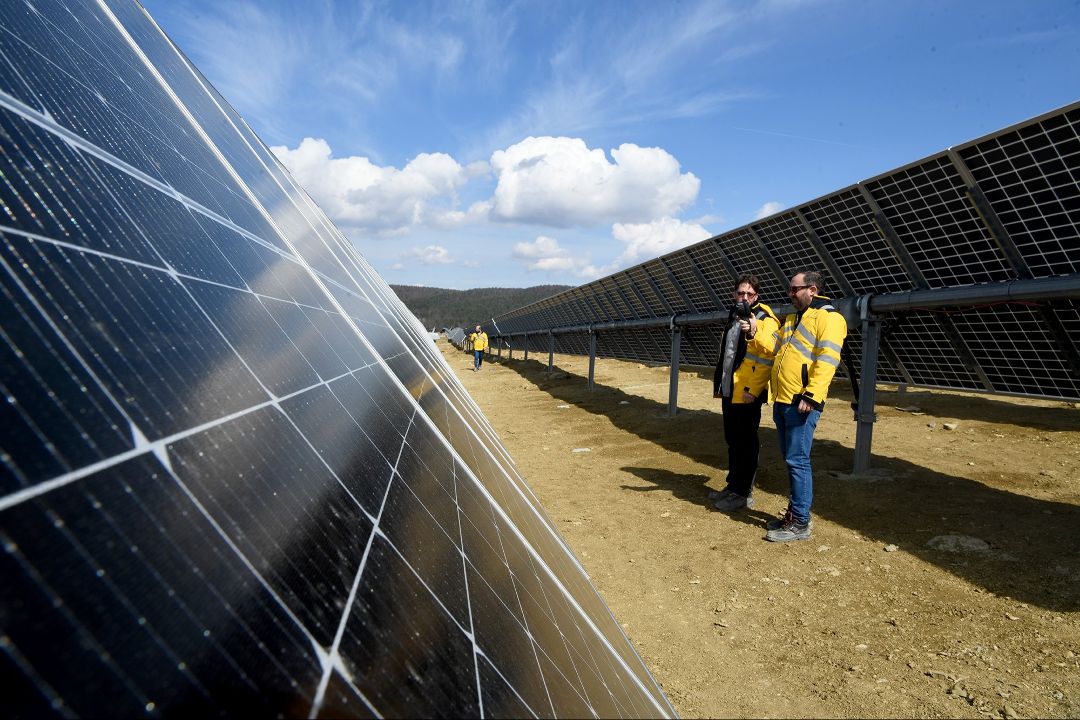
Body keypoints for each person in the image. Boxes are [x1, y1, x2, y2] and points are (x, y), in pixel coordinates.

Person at [765, 270, 847, 542]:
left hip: (801, 401)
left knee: (797, 461)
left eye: (794, 289)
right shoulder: (792, 319)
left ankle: (800, 522)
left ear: (812, 290)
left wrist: (811, 395)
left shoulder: (829, 318)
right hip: (782, 398)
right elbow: (772, 347)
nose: (790, 294)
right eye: (789, 289)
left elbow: (828, 359)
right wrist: (754, 330)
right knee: (791, 459)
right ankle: (794, 514)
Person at [710, 275, 780, 512]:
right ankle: (733, 486)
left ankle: (743, 492)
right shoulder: (733, 316)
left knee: (746, 442)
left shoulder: (765, 319)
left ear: (756, 296)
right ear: (734, 294)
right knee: (733, 440)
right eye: (741, 293)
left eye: (749, 294)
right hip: (732, 389)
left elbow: (769, 353)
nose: (744, 297)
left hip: (749, 392)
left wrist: (754, 331)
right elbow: (729, 355)